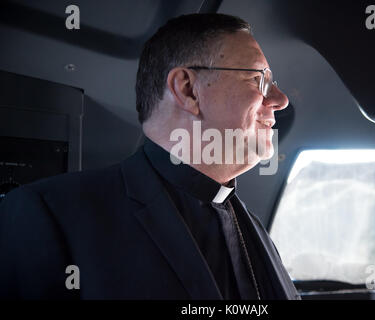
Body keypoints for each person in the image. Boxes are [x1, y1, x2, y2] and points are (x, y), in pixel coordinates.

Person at [0, 13, 300, 300]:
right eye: (258, 79)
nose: (280, 100)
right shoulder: (50, 215)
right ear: (188, 89)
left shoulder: (254, 228)